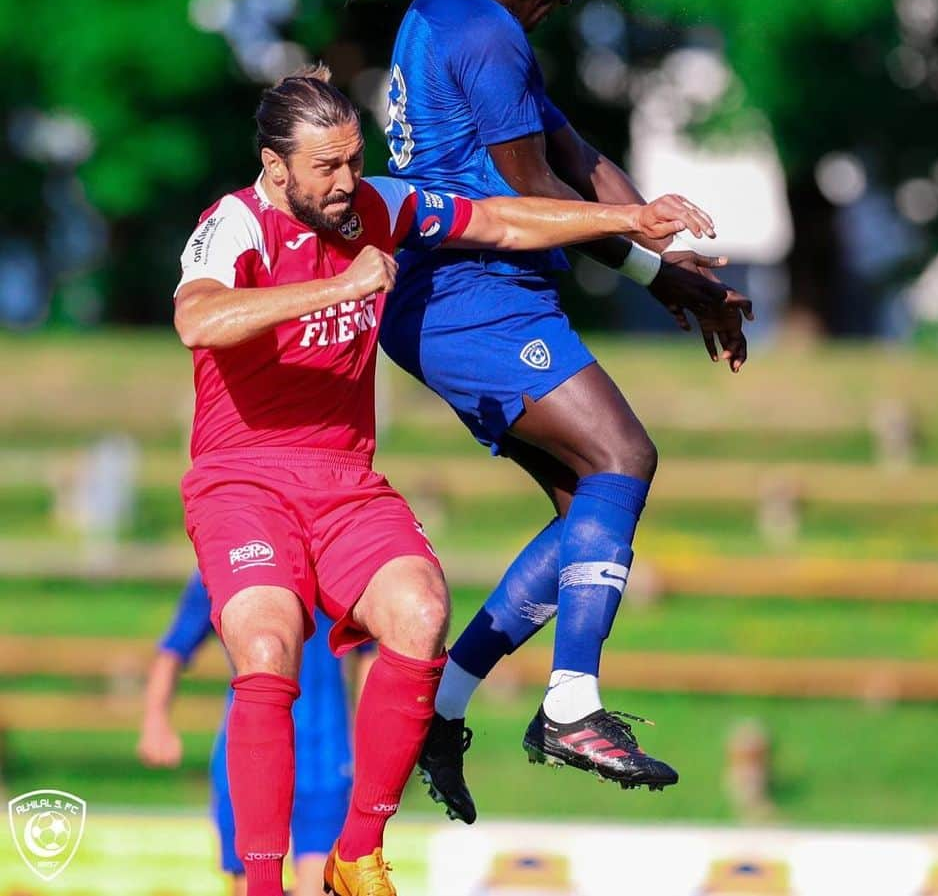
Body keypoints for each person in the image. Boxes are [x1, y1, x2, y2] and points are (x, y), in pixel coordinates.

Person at [173, 63, 712, 896]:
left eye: (356, 160)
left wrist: (628, 219)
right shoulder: (235, 224)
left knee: (421, 612)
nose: (350, 183)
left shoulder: (376, 207)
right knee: (268, 642)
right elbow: (197, 317)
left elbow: (496, 220)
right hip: (243, 478)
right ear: (275, 168)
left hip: (344, 477)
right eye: (327, 168)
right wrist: (336, 285)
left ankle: (356, 857)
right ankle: (263, 886)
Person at [317, 0, 753, 824]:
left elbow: (573, 150)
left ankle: (444, 706)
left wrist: (672, 272)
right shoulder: (482, 32)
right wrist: (654, 267)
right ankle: (571, 704)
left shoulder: (459, 14)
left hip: (476, 296)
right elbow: (533, 190)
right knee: (625, 456)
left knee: (585, 515)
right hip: (471, 293)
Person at [137, 570, 367, 896]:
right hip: (250, 757)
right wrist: (155, 721)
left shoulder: (335, 562)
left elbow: (370, 654)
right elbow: (174, 648)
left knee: (318, 889)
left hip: (323, 757)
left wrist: (368, 743)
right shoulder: (229, 562)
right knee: (252, 887)